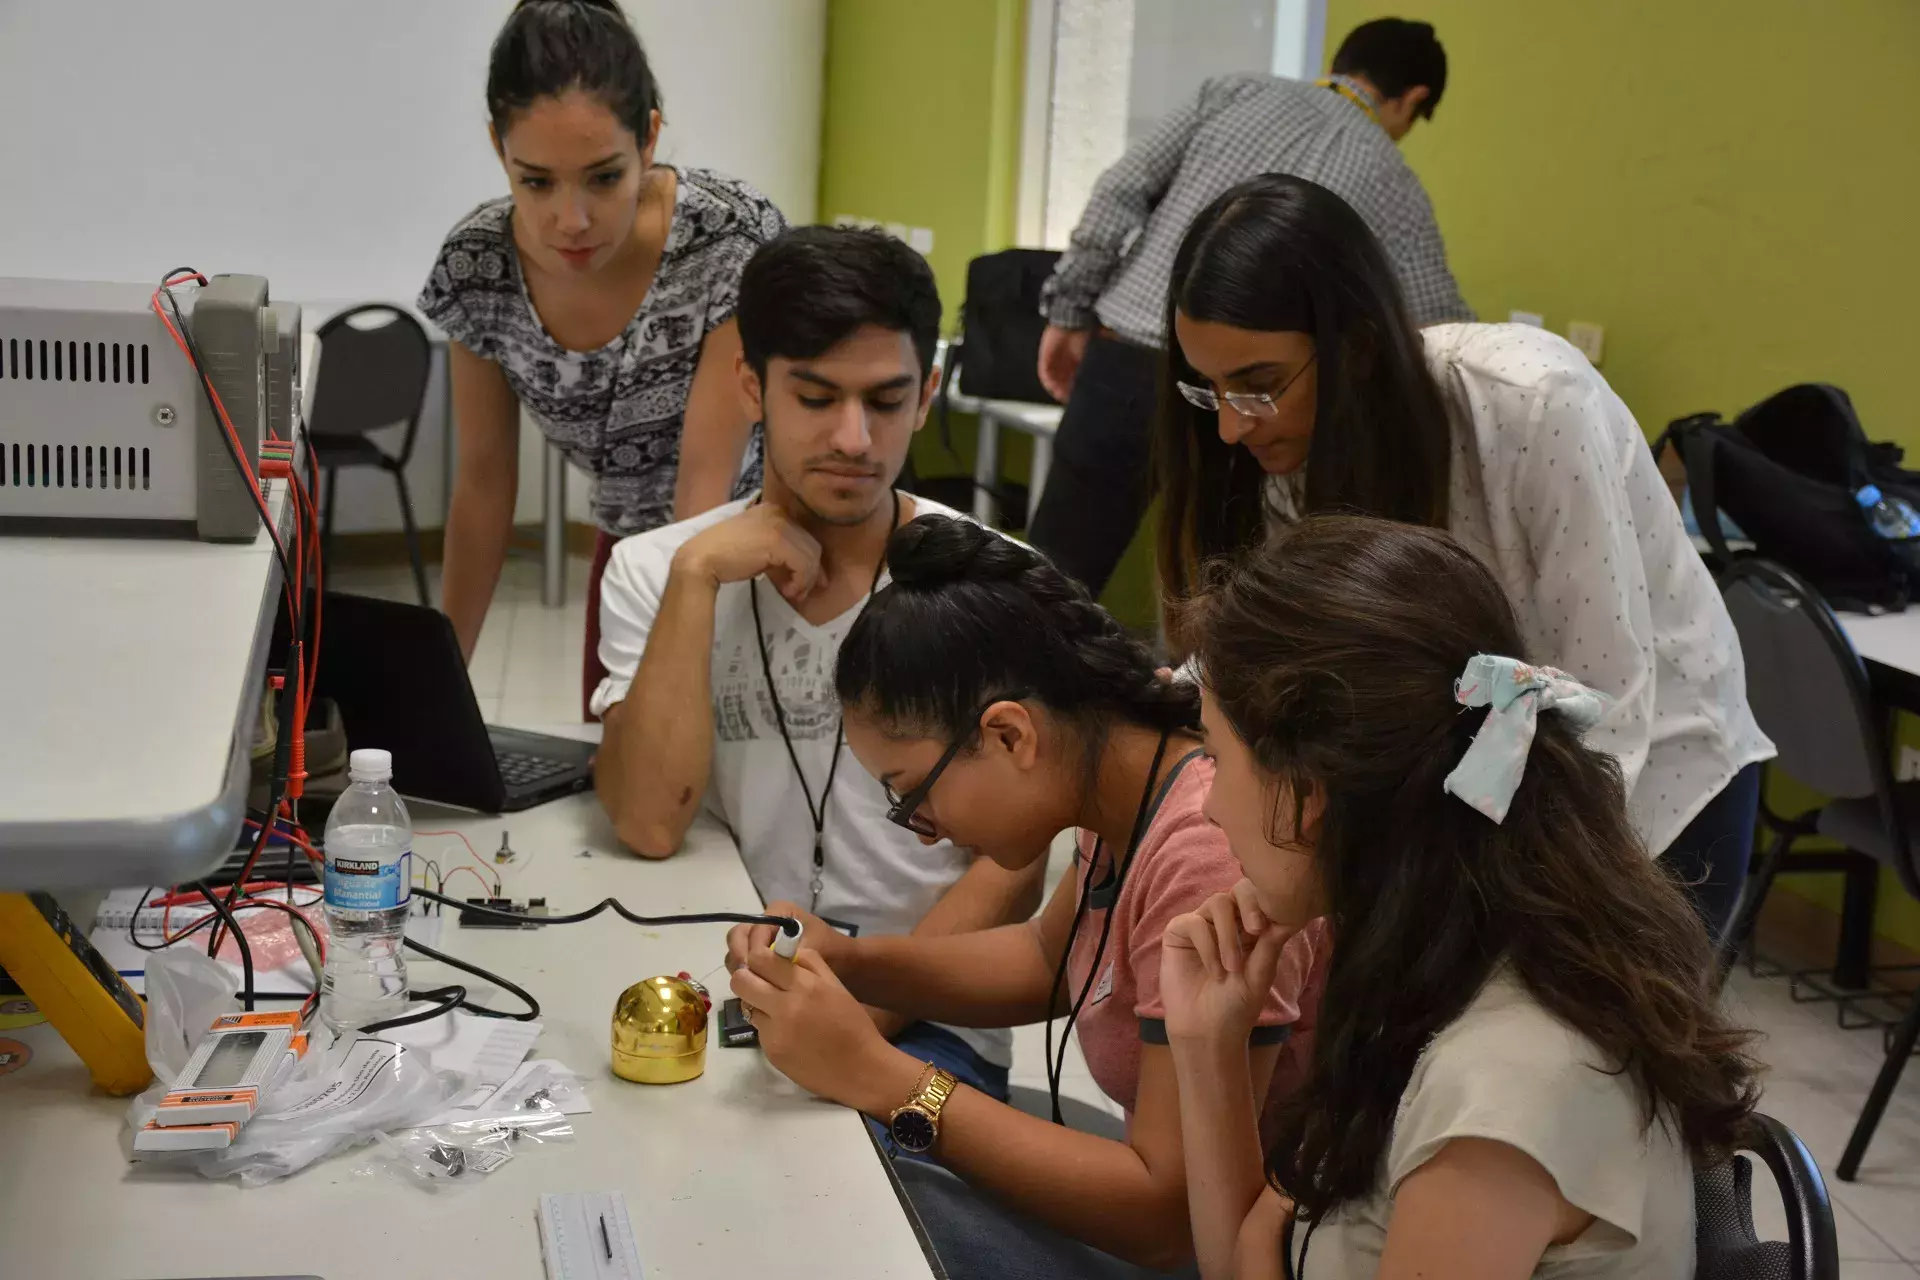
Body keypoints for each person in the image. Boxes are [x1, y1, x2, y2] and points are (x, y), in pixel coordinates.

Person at [1155, 174, 1773, 941]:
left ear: (1356, 347)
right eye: (1208, 391)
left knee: (1596, 1048)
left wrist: (1544, 908)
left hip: (1657, 779)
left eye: (1257, 386)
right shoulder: (1299, 448)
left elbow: (1606, 702)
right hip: (1491, 780)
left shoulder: (1533, 401)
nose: (1230, 429)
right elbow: (1310, 647)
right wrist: (1171, 696)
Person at [1160, 515, 1760, 1279]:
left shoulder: (1508, 1095)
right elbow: (1254, 1253)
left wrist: (1258, 1238)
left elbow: (1257, 1253)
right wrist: (1211, 1048)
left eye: (1216, 757)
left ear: (1306, 793)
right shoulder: (1440, 948)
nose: (1209, 807)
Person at [724, 513, 1322, 1280]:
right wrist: (849, 962)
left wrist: (880, 1074)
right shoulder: (1125, 783)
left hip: (1236, 1258)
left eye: (912, 795)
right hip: (1186, 1226)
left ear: (1010, 736)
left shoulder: (1204, 849)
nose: (921, 832)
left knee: (850, 1202)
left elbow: (1171, 1223)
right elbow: (1049, 957)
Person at [591, 225, 1044, 1104]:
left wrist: (865, 1013)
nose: (855, 438)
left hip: (927, 1024)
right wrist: (696, 580)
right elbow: (648, 823)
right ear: (753, 388)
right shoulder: (658, 568)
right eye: (816, 396)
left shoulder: (990, 578)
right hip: (720, 1000)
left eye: (885, 400)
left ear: (927, 396)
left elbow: (1017, 862)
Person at [418, 0, 787, 716]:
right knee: (612, 786)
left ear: (649, 137)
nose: (571, 220)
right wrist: (440, 686)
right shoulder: (477, 267)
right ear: (498, 146)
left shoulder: (726, 240)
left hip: (754, 551)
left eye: (603, 177)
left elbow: (701, 495)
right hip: (627, 555)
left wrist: (664, 688)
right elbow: (485, 485)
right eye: (536, 182)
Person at [1028, 17, 1470, 597]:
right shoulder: (1392, 178)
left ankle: (1000, 681)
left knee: (1053, 573)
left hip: (1126, 351)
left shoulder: (1232, 93)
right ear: (1411, 101)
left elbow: (1119, 189)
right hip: (1264, 391)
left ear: (1338, 63)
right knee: (1219, 585)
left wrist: (1068, 310)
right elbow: (1442, 330)